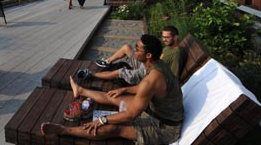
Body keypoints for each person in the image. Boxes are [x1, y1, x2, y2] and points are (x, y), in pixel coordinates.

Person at [41, 34, 184, 144]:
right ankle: (81, 90)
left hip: (164, 128)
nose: (134, 51)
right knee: (114, 96)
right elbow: (148, 90)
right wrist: (124, 90)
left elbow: (131, 115)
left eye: (138, 49)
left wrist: (103, 120)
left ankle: (64, 130)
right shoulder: (157, 65)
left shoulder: (151, 79)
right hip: (156, 110)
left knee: (113, 128)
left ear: (148, 55)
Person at [84, 26, 185, 85]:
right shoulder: (168, 47)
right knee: (127, 47)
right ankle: (107, 61)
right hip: (146, 62)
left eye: (167, 37)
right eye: (163, 37)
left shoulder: (176, 53)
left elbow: (174, 76)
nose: (164, 40)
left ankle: (92, 74)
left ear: (176, 37)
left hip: (148, 69)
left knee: (121, 72)